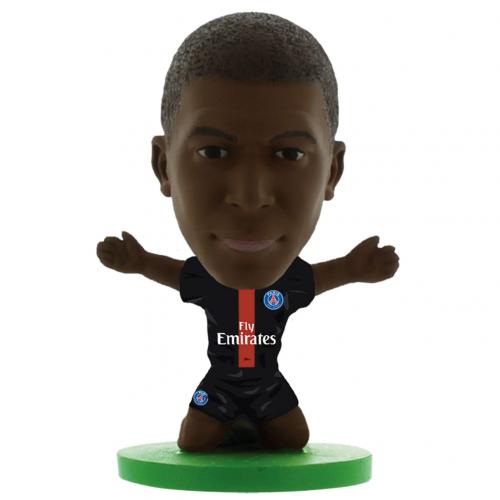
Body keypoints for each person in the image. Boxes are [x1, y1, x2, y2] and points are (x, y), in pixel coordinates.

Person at [96, 12, 399, 452]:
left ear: (332, 171)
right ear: (164, 166)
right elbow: (171, 273)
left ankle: (246, 426)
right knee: (194, 442)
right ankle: (234, 424)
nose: (250, 197)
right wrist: (139, 262)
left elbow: (323, 278)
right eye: (213, 152)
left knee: (293, 439)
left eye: (290, 154)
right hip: (220, 384)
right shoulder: (203, 281)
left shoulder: (290, 285)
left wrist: (355, 268)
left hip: (267, 385)